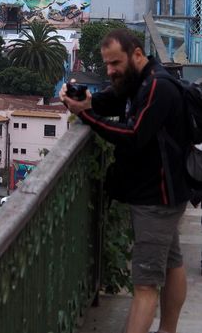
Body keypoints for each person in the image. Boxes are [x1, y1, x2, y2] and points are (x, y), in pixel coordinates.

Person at [60, 29, 190, 333]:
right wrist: (85, 100)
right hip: (162, 195)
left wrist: (86, 116)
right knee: (172, 262)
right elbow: (113, 101)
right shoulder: (140, 81)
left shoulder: (157, 87)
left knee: (145, 286)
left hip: (156, 199)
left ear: (137, 55)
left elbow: (133, 136)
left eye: (115, 63)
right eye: (107, 65)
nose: (111, 71)